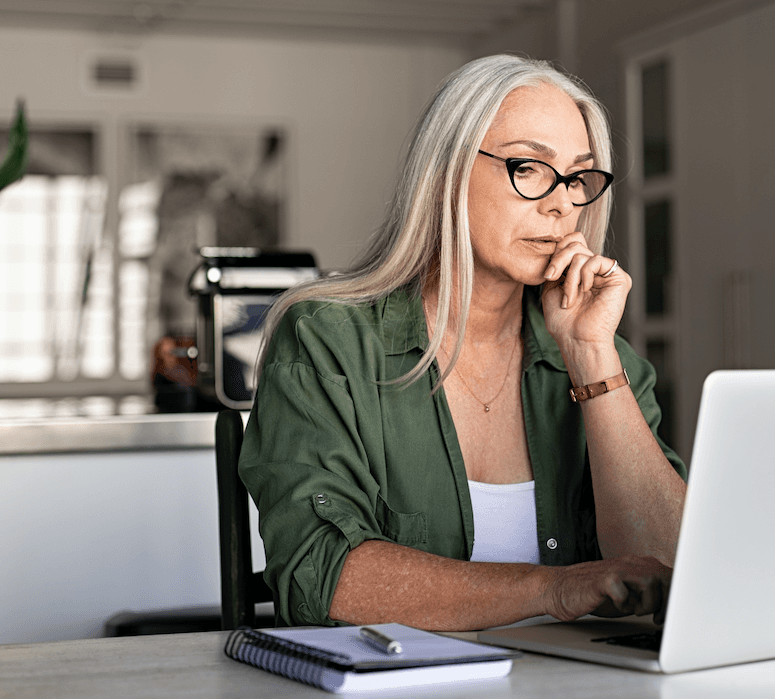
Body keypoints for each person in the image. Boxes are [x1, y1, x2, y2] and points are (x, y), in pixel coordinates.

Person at [239, 54, 687, 631]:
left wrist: (591, 359)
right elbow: (322, 578)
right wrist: (554, 589)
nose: (562, 203)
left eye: (578, 177)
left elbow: (676, 574)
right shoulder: (327, 340)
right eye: (529, 167)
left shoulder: (606, 360)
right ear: (447, 171)